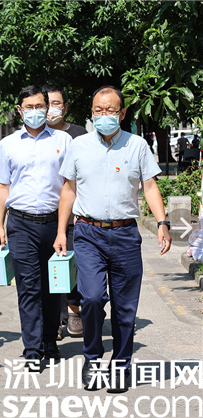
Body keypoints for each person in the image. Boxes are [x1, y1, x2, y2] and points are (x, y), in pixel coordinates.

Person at [54, 85, 171, 393]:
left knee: (124, 307)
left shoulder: (137, 145)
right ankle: (92, 359)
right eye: (98, 110)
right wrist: (61, 232)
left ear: (122, 113)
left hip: (125, 234)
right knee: (92, 298)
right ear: (91, 113)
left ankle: (121, 365)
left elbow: (150, 186)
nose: (103, 115)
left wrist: (162, 222)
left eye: (110, 110)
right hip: (88, 233)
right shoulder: (79, 145)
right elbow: (68, 189)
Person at [0, 85, 73, 370]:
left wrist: (63, 229)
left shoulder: (63, 140)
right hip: (21, 224)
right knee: (28, 287)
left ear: (48, 107)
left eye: (40, 106)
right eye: (29, 107)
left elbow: (69, 185)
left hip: (54, 222)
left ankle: (50, 340)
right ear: (20, 110)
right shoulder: (8, 144)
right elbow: (3, 186)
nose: (36, 111)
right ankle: (33, 349)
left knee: (53, 287)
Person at [43, 84, 88, 340]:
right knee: (50, 268)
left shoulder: (79, 134)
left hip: (74, 213)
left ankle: (73, 308)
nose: (51, 109)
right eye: (46, 104)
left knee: (71, 264)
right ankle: (57, 319)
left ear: (65, 107)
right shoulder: (37, 136)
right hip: (45, 213)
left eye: (56, 103)